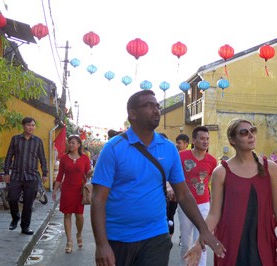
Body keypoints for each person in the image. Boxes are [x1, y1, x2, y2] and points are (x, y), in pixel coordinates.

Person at [90, 90, 224, 266]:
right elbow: (98, 199)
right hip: (118, 238)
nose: (156, 110)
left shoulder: (168, 149)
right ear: (132, 113)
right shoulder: (113, 148)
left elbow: (182, 193)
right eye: (148, 105)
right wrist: (101, 245)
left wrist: (204, 229)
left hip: (156, 237)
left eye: (157, 106)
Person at [185, 119, 277, 266]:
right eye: (244, 132)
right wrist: (198, 243)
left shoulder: (270, 168)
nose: (251, 135)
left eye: (252, 131)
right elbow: (214, 214)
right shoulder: (221, 172)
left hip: (264, 243)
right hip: (230, 245)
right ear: (232, 140)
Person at [178, 126, 217, 266]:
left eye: (207, 139)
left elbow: (210, 181)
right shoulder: (181, 156)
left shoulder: (212, 161)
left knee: (202, 241)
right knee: (186, 242)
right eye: (202, 138)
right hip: (185, 205)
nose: (205, 141)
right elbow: (174, 177)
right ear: (193, 140)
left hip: (203, 204)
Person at [3, 117, 48, 235]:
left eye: (33, 125)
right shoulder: (15, 139)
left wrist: (45, 173)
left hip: (32, 176)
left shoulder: (38, 141)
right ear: (23, 126)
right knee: (12, 198)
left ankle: (25, 226)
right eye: (29, 125)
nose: (31, 127)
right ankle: (15, 217)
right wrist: (6, 172)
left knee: (28, 203)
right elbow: (9, 157)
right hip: (16, 175)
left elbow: (42, 158)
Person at [52, 135, 92, 253]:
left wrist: (89, 173)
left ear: (79, 145)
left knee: (79, 216)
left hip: (79, 190)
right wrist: (54, 190)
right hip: (67, 190)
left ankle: (79, 234)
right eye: (69, 142)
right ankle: (69, 241)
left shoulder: (85, 158)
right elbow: (60, 176)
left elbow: (87, 174)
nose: (71, 144)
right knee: (67, 215)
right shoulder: (64, 158)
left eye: (73, 143)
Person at [167, 133, 190, 238]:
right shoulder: (173, 155)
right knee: (170, 215)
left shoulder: (189, 157)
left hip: (185, 192)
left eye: (179, 143)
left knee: (186, 216)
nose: (177, 145)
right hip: (174, 192)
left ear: (186, 144)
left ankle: (183, 236)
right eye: (177, 142)